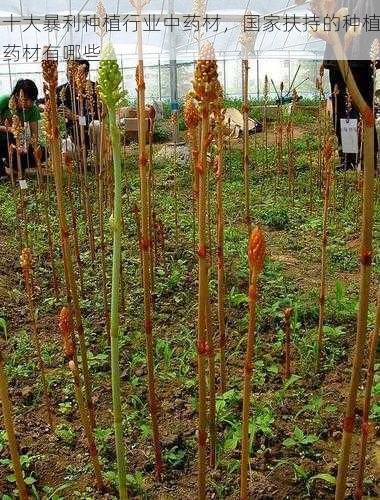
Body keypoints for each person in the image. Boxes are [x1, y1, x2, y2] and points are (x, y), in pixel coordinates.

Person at [322, 0, 378, 169]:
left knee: (363, 110)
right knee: (342, 113)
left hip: (359, 59)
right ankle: (349, 157)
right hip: (337, 59)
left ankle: (367, 159)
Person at [0, 79, 41, 178]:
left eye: (33, 100)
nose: (29, 104)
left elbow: (34, 136)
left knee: (41, 152)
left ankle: (12, 166)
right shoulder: (5, 100)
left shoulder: (33, 109)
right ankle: (3, 171)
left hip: (16, 139)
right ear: (16, 96)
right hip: (2, 136)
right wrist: (10, 129)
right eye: (26, 100)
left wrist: (27, 147)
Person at [57, 59, 98, 150]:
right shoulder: (61, 90)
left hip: (89, 136)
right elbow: (41, 103)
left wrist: (75, 117)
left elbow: (94, 121)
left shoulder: (94, 90)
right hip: (68, 136)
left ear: (85, 74)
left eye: (75, 70)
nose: (70, 74)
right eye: (68, 70)